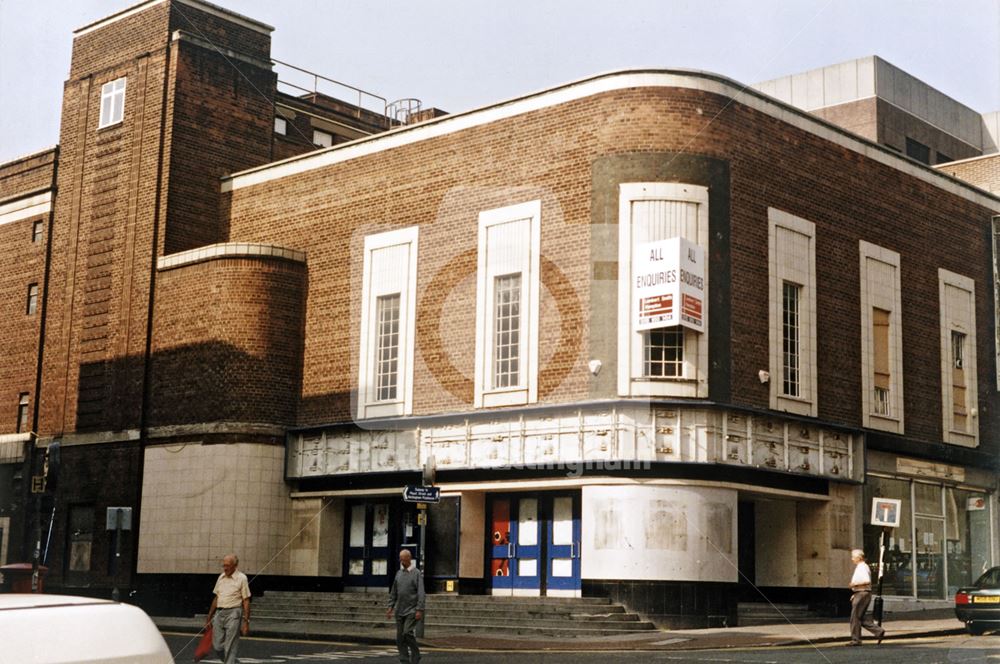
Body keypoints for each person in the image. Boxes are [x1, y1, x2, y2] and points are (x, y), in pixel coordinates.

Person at [205, 553, 251, 664]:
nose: (225, 568)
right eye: (224, 565)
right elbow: (217, 598)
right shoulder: (221, 577)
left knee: (230, 646)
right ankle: (231, 662)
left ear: (235, 566)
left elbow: (246, 600)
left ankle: (230, 661)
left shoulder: (242, 578)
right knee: (217, 646)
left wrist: (246, 622)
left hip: (234, 613)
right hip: (219, 613)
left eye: (228, 566)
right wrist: (209, 617)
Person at [386, 549, 425, 664]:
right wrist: (390, 607)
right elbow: (394, 592)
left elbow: (421, 592)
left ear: (409, 558)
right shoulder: (399, 573)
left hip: (412, 610)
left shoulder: (416, 573)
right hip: (399, 610)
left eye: (403, 558)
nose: (401, 560)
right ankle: (404, 660)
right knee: (400, 638)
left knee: (407, 632)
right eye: (400, 558)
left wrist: (420, 609)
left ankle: (416, 653)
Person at [848, 548, 885, 646]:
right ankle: (878, 631)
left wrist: (854, 584)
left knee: (855, 617)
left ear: (859, 558)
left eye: (853, 557)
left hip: (862, 594)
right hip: (860, 593)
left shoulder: (862, 567)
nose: (852, 559)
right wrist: (855, 593)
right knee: (859, 617)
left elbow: (867, 581)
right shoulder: (861, 567)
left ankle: (856, 640)